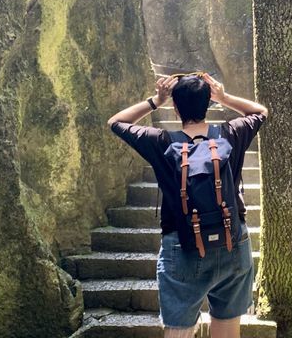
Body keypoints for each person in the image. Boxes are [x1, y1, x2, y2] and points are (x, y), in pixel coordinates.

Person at [108, 72, 268, 338]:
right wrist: (225, 97)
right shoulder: (231, 134)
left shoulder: (161, 141)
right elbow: (260, 111)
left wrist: (155, 101)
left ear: (175, 106)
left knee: (178, 334)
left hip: (182, 247)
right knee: (228, 332)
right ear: (209, 104)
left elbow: (116, 122)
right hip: (232, 241)